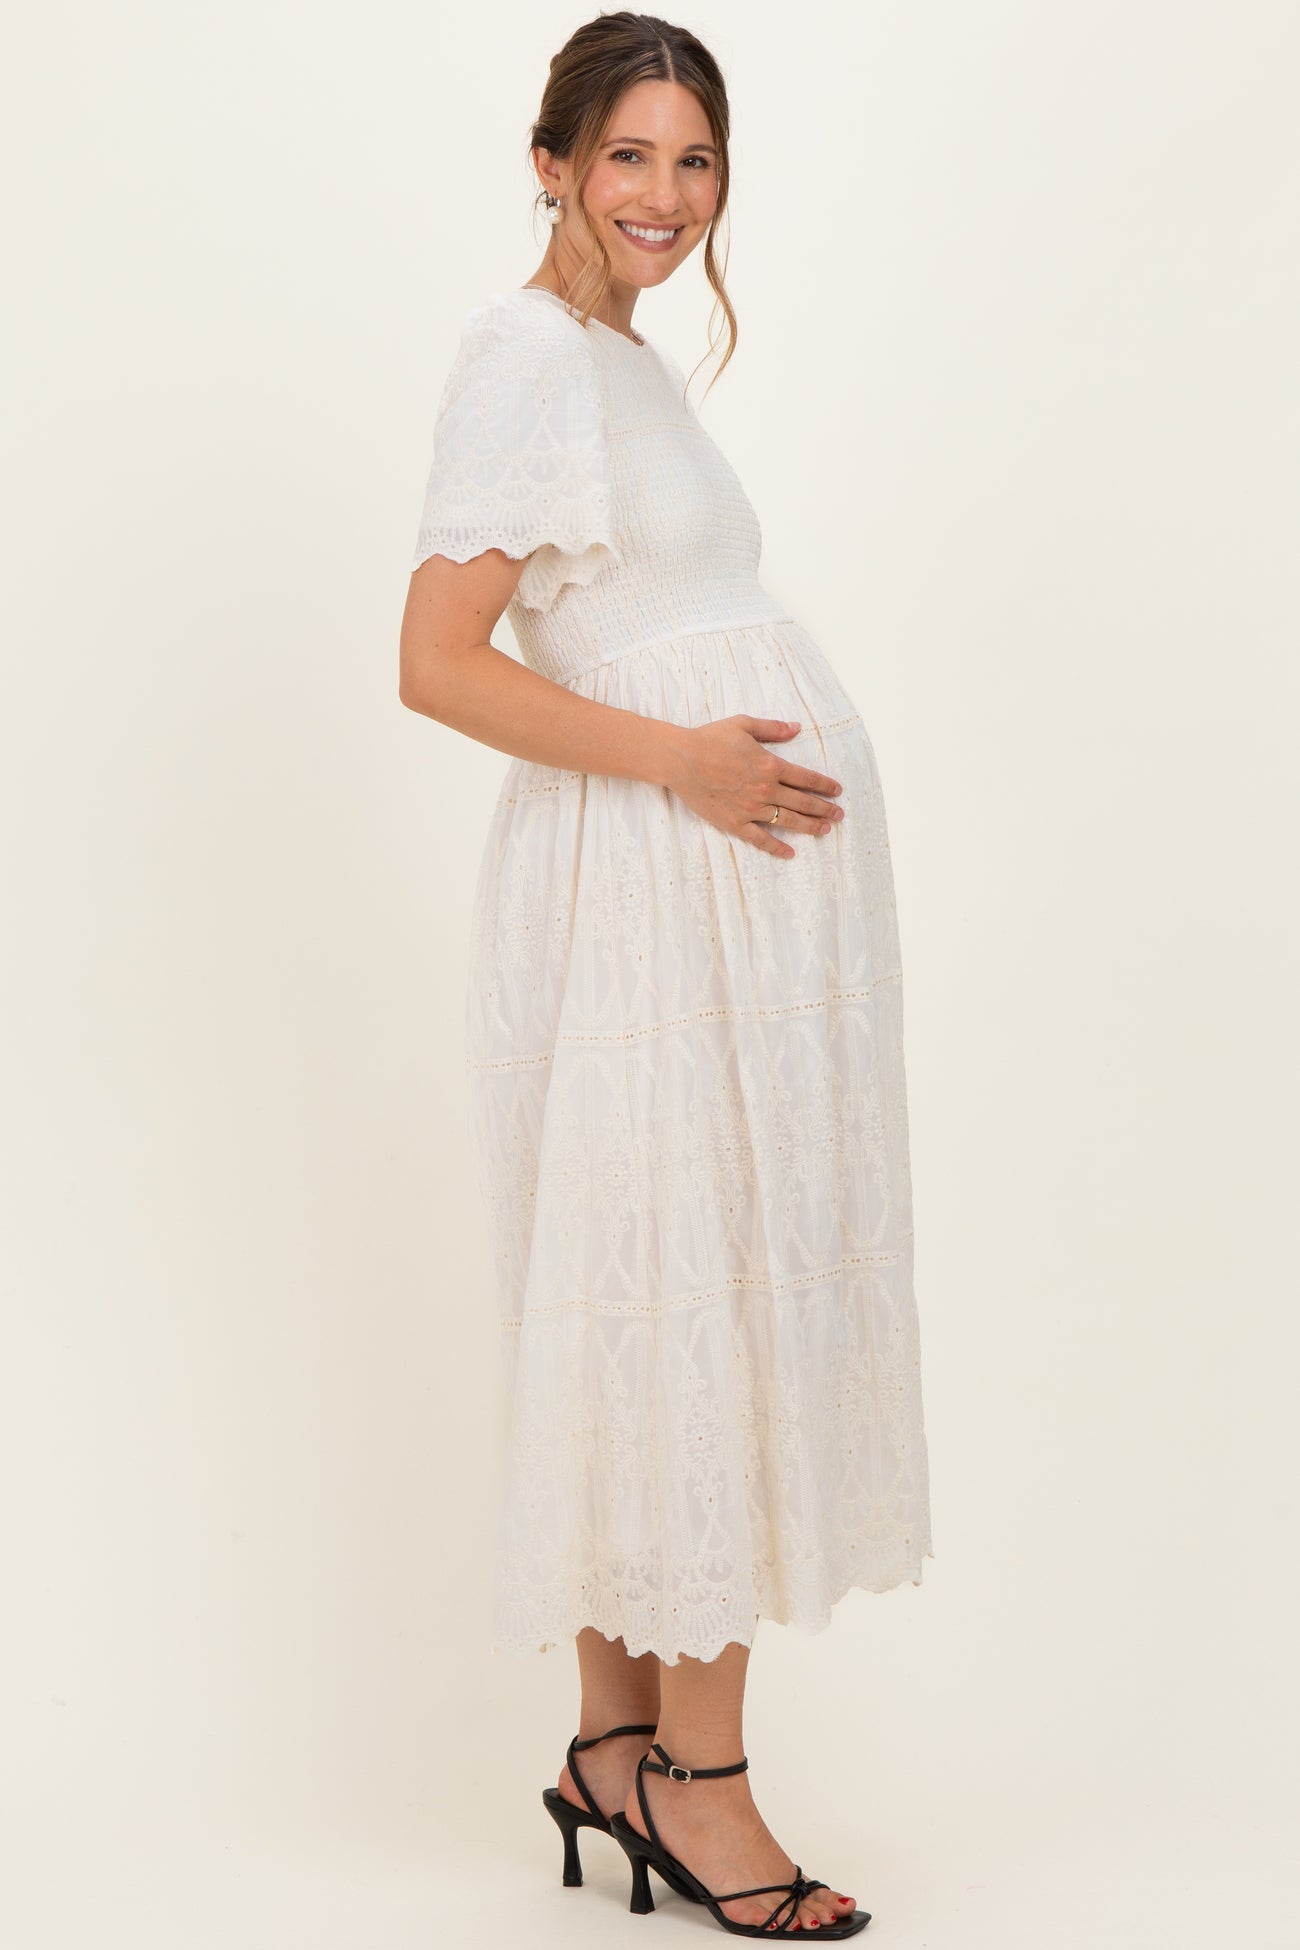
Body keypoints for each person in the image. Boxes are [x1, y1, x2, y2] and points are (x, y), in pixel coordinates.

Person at [398, 12, 933, 1938]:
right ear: (549, 162)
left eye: (694, 159)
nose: (664, 194)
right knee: (693, 1293)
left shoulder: (622, 366)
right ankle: (704, 1788)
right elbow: (436, 660)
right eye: (626, 154)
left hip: (702, 902)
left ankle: (614, 1748)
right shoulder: (526, 355)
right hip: (645, 893)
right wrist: (693, 765)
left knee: (658, 1297)